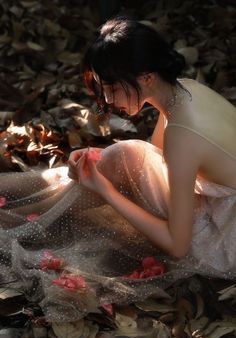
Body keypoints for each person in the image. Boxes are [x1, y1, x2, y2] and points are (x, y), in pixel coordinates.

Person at [0, 16, 235, 321]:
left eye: (112, 87)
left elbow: (178, 246)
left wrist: (106, 190)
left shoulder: (185, 133)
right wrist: (101, 156)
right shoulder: (185, 90)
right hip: (220, 201)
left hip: (226, 238)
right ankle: (35, 214)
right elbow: (157, 156)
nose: (108, 99)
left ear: (147, 77)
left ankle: (31, 219)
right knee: (124, 155)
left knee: (119, 163)